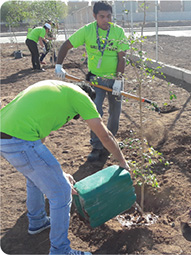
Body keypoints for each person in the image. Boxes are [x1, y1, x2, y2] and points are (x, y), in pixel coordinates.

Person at [0, 80, 130, 255]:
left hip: (6, 136)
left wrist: (59, 172)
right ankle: (60, 251)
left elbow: (40, 141)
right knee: (61, 193)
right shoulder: (81, 97)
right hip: (20, 140)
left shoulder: (57, 90)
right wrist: (122, 162)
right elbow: (104, 135)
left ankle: (37, 221)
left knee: (35, 178)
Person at [55, 1, 129, 162]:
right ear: (94, 16)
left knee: (115, 114)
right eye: (102, 16)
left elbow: (121, 57)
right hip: (94, 78)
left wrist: (118, 79)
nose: (106, 20)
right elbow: (66, 45)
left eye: (109, 16)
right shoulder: (87, 31)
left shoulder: (118, 32)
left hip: (115, 78)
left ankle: (110, 143)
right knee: (94, 112)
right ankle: (96, 146)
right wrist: (59, 65)